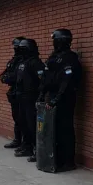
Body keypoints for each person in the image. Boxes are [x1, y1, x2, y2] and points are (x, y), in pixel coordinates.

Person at [38, 29, 82, 172]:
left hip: (64, 98)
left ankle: (68, 161)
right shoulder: (54, 57)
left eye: (55, 40)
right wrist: (42, 94)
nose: (54, 43)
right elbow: (46, 77)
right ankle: (55, 159)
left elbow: (67, 82)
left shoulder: (70, 58)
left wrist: (56, 100)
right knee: (52, 130)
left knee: (65, 129)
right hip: (52, 96)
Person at [13, 39, 45, 162]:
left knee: (33, 125)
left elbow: (42, 80)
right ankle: (26, 146)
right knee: (23, 123)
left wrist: (40, 96)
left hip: (31, 98)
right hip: (22, 98)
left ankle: (37, 150)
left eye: (23, 49)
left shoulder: (36, 63)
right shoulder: (23, 62)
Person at [0, 37, 26, 149]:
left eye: (17, 47)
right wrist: (6, 77)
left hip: (23, 92)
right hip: (14, 92)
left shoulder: (24, 61)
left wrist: (9, 77)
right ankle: (17, 140)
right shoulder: (14, 60)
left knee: (23, 118)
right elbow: (5, 74)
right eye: (14, 47)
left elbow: (16, 77)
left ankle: (26, 143)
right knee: (16, 117)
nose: (15, 49)